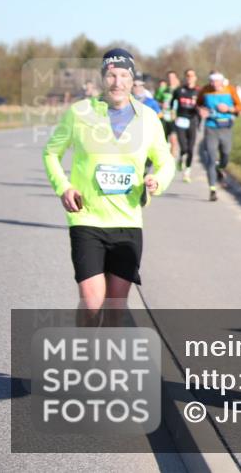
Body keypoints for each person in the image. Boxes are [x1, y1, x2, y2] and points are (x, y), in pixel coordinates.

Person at [43, 49, 175, 326]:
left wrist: (158, 181)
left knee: (116, 309)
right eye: (112, 75)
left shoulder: (148, 118)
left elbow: (165, 161)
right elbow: (51, 153)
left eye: (124, 75)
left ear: (132, 79)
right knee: (92, 302)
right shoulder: (80, 113)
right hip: (87, 218)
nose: (118, 82)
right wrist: (63, 187)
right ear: (103, 77)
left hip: (127, 221)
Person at [197, 71, 241, 202]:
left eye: (216, 81)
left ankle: (220, 168)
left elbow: (239, 107)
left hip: (226, 127)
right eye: (211, 81)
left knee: (225, 154)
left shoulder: (230, 90)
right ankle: (212, 190)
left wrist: (228, 109)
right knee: (211, 158)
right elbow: (199, 104)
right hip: (211, 127)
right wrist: (201, 111)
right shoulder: (205, 90)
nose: (213, 84)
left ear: (222, 81)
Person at [171, 68, 201, 182]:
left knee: (190, 149)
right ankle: (181, 157)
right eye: (188, 75)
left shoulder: (199, 92)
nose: (190, 78)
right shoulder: (179, 90)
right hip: (181, 120)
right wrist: (173, 113)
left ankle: (187, 172)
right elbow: (172, 103)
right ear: (185, 77)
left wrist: (201, 114)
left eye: (192, 76)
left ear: (195, 78)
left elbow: (202, 106)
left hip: (192, 121)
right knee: (183, 147)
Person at [156, 72, 181, 158]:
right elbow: (155, 101)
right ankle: (164, 159)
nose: (171, 79)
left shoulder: (179, 90)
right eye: (169, 77)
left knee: (174, 140)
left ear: (176, 78)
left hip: (174, 118)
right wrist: (161, 104)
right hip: (164, 117)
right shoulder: (162, 90)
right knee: (163, 141)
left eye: (173, 77)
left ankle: (172, 160)